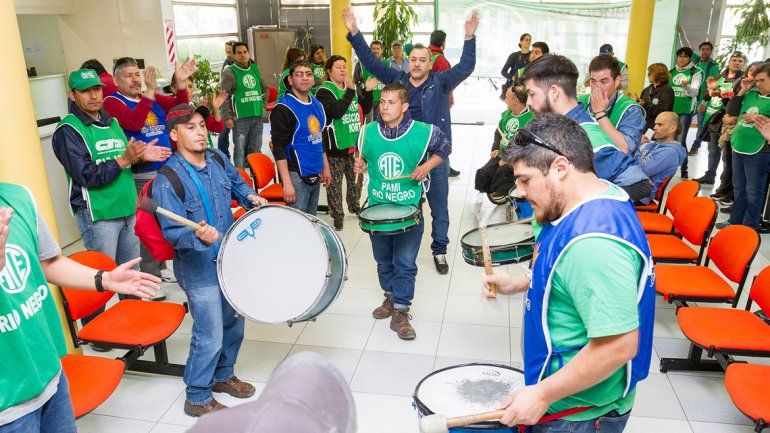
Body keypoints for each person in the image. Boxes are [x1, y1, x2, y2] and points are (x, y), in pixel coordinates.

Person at [482, 113, 654, 432]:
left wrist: (543, 394)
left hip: (579, 413)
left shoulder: (594, 246)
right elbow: (566, 273)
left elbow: (618, 346)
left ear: (560, 168)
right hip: (567, 400)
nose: (518, 192)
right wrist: (520, 283)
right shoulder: (588, 200)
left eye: (525, 180)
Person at [0, 183, 159, 433]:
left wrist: (105, 279)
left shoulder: (18, 197)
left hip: (50, 373)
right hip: (6, 404)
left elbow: (49, 262)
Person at [343, 6, 478, 275]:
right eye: (413, 59)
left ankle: (439, 249)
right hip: (404, 157)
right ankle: (403, 254)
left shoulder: (441, 81)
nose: (417, 64)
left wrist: (469, 38)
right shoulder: (398, 79)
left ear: (430, 63)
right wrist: (355, 32)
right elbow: (371, 62)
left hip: (435, 157)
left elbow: (466, 66)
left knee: (439, 208)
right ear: (408, 61)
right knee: (404, 206)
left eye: (422, 60)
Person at [153, 104, 268, 417]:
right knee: (210, 333)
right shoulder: (168, 179)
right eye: (190, 127)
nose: (200, 131)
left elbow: (237, 182)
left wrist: (250, 197)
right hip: (198, 268)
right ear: (174, 134)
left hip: (229, 258)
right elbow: (173, 232)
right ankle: (197, 395)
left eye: (202, 124)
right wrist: (195, 237)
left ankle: (222, 376)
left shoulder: (217, 157)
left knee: (234, 323)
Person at [53, 68, 170, 322]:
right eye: (85, 91)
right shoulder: (68, 130)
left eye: (97, 89)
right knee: (99, 276)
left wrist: (139, 159)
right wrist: (124, 159)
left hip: (128, 210)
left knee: (131, 273)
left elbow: (124, 165)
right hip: (99, 215)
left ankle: (135, 318)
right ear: (72, 95)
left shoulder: (111, 121)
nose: (94, 96)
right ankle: (95, 329)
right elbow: (87, 175)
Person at [353, 83, 450, 340]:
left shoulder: (423, 132)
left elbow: (444, 147)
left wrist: (427, 166)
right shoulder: (367, 132)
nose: (384, 107)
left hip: (409, 209)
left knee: (404, 263)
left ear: (405, 106)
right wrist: (360, 163)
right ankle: (390, 296)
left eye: (391, 102)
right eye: (382, 102)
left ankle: (401, 311)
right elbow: (362, 157)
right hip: (378, 209)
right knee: (383, 261)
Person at [103, 56, 195, 284]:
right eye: (128, 75)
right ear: (116, 80)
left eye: (137, 74)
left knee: (165, 220)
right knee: (146, 226)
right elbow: (134, 123)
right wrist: (150, 93)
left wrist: (181, 85)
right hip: (141, 174)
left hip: (165, 171)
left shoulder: (149, 99)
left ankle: (161, 265)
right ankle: (149, 276)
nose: (135, 80)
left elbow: (179, 110)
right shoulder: (113, 102)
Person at [520, 54, 651, 202]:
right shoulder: (576, 108)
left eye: (532, 94)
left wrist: (587, 205)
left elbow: (636, 176)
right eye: (593, 81)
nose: (597, 88)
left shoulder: (627, 111)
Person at [316, 55, 373, 231]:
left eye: (344, 66)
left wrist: (368, 91)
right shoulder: (324, 91)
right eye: (338, 67)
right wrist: (350, 90)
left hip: (353, 143)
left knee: (356, 179)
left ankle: (354, 206)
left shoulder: (352, 88)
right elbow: (336, 111)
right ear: (329, 71)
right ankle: (337, 214)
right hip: (335, 146)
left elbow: (365, 107)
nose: (343, 70)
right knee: (334, 184)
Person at [270, 61, 332, 215]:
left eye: (308, 74)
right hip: (295, 175)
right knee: (298, 226)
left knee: (311, 222)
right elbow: (278, 148)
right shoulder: (284, 108)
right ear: (290, 80)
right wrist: (287, 183)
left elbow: (319, 139)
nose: (304, 78)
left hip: (315, 172)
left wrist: (325, 167)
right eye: (299, 74)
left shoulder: (316, 104)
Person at [717, 62, 770, 233]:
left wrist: (757, 117)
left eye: (762, 80)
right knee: (739, 188)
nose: (758, 83)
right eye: (757, 80)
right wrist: (741, 91)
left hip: (759, 150)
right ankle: (735, 220)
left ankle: (749, 227)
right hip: (738, 145)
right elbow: (731, 110)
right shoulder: (751, 93)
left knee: (753, 191)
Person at [694, 52, 746, 185]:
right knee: (712, 150)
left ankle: (724, 182)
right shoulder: (720, 76)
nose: (736, 63)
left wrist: (723, 94)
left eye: (740, 61)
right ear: (729, 62)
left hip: (728, 121)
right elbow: (707, 94)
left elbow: (738, 99)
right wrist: (709, 93)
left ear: (743, 64)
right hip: (713, 118)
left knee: (726, 154)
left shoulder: (742, 80)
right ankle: (710, 176)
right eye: (734, 60)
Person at [475, 85, 534, 199]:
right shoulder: (506, 114)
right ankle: (493, 190)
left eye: (507, 97)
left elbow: (527, 146)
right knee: (483, 174)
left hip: (517, 158)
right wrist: (495, 148)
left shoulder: (531, 119)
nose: (505, 99)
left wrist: (508, 160)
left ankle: (503, 191)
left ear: (516, 100)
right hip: (502, 153)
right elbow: (498, 133)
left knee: (502, 172)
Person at [578, 55, 646, 154]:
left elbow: (626, 148)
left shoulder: (631, 109)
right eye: (593, 81)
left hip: (613, 167)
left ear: (617, 81)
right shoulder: (580, 102)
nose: (597, 88)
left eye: (603, 82)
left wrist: (600, 113)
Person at [220, 42, 269, 168]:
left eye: (245, 52)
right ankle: (240, 180)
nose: (243, 55)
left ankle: (256, 178)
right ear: (234, 56)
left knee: (256, 150)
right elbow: (224, 97)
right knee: (240, 151)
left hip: (257, 116)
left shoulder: (254, 68)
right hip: (240, 118)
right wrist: (227, 117)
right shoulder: (229, 72)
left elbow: (265, 88)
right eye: (239, 53)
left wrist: (263, 106)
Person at [427, 29, 461, 178]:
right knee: (442, 136)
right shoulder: (441, 61)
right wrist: (449, 101)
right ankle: (444, 166)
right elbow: (448, 84)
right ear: (443, 44)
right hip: (439, 105)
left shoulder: (424, 55)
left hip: (423, 103)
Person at [634, 112, 687, 204]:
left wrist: (639, 148)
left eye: (660, 125)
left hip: (640, 195)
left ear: (672, 129)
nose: (654, 127)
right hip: (634, 184)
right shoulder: (654, 144)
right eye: (655, 124)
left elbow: (641, 171)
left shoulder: (670, 152)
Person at [669, 46, 703, 179]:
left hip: (685, 111)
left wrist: (685, 86)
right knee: (668, 140)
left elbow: (695, 92)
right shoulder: (671, 71)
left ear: (689, 58)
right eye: (680, 56)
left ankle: (684, 170)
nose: (682, 59)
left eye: (685, 56)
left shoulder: (695, 71)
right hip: (671, 110)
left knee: (681, 139)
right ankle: (668, 168)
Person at [690, 41, 722, 156]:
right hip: (692, 99)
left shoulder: (713, 66)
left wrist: (704, 102)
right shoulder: (697, 61)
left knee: (700, 125)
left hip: (703, 101)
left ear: (711, 51)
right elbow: (688, 45)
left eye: (708, 49)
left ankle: (695, 146)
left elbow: (712, 86)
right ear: (700, 51)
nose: (705, 51)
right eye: (703, 49)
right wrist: (681, 31)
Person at [634, 63, 674, 131]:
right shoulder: (646, 90)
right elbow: (641, 110)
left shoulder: (667, 90)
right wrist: (636, 102)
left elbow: (663, 110)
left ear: (658, 74)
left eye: (650, 73)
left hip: (660, 128)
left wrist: (645, 105)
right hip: (645, 126)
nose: (648, 75)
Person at [354, 40, 387, 122]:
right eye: (373, 48)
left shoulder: (387, 64)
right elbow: (355, 81)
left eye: (378, 48)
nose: (375, 51)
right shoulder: (361, 63)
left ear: (382, 50)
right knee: (368, 125)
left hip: (382, 100)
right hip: (367, 100)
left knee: (381, 124)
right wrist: (361, 95)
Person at [218, 40, 238, 159]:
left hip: (239, 105)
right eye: (226, 52)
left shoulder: (247, 63)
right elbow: (224, 90)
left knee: (241, 134)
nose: (228, 54)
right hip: (227, 104)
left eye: (230, 52)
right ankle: (224, 157)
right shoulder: (227, 64)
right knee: (223, 132)